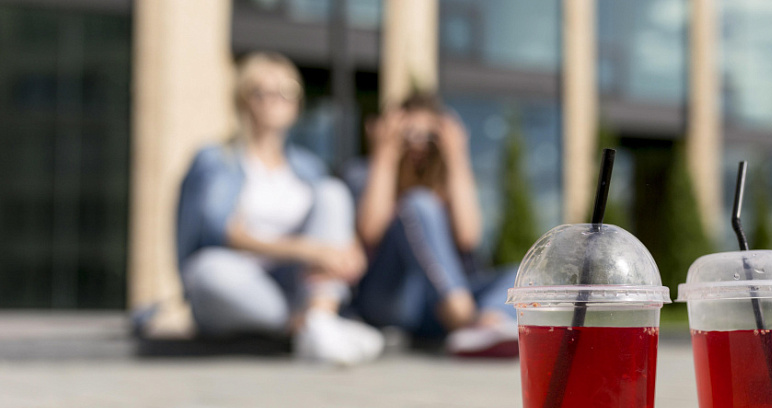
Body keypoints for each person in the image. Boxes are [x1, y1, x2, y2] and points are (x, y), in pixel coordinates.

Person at [176, 51, 383, 364]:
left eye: (286, 93)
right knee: (207, 271)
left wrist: (351, 251)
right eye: (263, 92)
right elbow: (221, 231)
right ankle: (314, 325)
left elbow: (331, 225)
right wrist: (305, 250)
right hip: (242, 282)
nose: (275, 101)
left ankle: (318, 319)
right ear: (243, 99)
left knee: (333, 192)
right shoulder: (217, 160)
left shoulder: (307, 167)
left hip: (297, 283)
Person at [354, 93, 518, 356]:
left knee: (522, 275)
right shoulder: (366, 173)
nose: (418, 145)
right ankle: (465, 322)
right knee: (418, 204)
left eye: (428, 137)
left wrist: (456, 155)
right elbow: (369, 232)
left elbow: (468, 237)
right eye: (408, 134)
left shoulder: (447, 183)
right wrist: (385, 154)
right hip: (391, 299)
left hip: (434, 310)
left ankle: (488, 324)